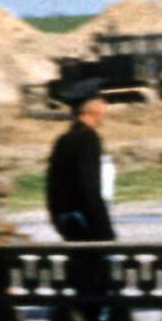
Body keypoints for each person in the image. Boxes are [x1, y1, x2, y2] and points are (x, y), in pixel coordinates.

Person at [42, 93, 119, 245]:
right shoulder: (88, 138)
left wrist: (59, 222)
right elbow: (89, 187)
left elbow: (52, 188)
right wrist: (105, 232)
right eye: (102, 102)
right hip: (87, 225)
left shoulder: (63, 140)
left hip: (67, 224)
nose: (105, 108)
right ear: (93, 108)